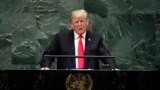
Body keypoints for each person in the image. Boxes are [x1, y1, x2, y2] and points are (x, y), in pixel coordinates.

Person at [40, 9, 117, 70]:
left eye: (82, 21)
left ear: (87, 22)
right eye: (76, 22)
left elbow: (106, 56)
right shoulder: (61, 37)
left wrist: (113, 68)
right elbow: (48, 55)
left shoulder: (96, 38)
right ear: (71, 24)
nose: (79, 24)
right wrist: (45, 67)